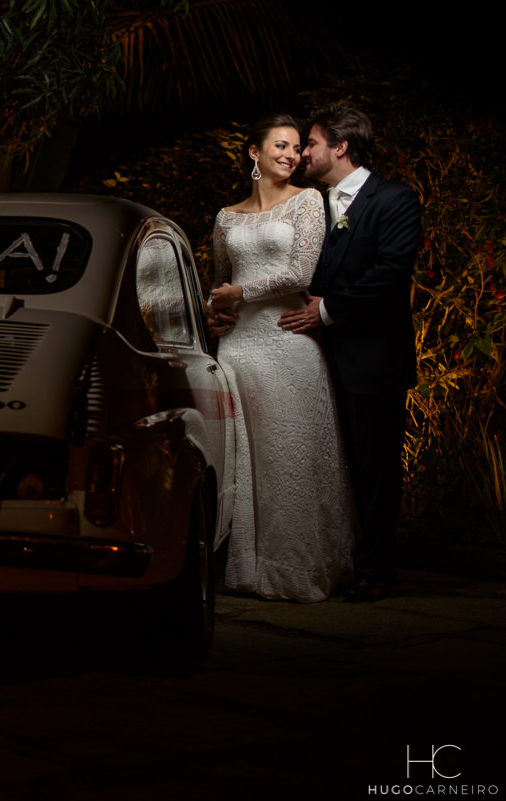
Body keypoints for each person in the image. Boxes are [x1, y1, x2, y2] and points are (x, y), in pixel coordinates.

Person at [209, 113, 356, 603]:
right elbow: (218, 281)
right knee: (240, 458)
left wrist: (240, 292)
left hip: (287, 341)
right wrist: (216, 314)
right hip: (237, 348)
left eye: (297, 148)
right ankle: (242, 567)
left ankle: (296, 567)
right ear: (255, 152)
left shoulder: (308, 201)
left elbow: (300, 272)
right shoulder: (226, 217)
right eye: (281, 146)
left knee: (289, 456)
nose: (292, 155)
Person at [277, 105, 422, 602]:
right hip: (312, 359)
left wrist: (328, 310)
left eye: (310, 143)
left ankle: (378, 569)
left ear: (340, 146)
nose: (303, 153)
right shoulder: (311, 205)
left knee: (374, 466)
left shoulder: (395, 199)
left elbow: (391, 271)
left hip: (372, 360)